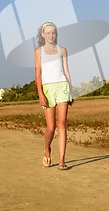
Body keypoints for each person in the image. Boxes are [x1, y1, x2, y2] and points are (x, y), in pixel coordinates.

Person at [35, 21, 74, 170]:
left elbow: (66, 71)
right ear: (43, 35)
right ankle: (47, 149)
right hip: (47, 89)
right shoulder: (38, 52)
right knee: (51, 127)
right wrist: (40, 93)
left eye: (54, 32)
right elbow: (38, 74)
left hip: (62, 86)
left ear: (56, 34)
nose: (51, 35)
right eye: (48, 33)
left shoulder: (62, 50)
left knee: (62, 123)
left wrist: (70, 91)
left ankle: (62, 160)